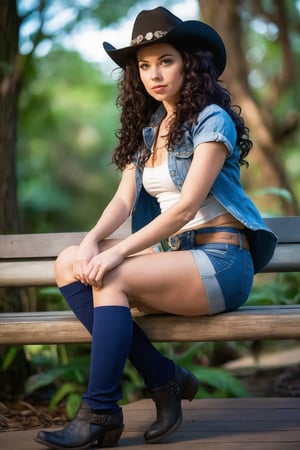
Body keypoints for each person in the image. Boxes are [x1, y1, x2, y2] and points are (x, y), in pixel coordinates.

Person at [36, 6, 277, 449]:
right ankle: (163, 377)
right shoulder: (151, 129)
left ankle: (100, 411)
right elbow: (124, 199)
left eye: (165, 60)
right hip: (177, 259)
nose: (155, 74)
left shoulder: (211, 120)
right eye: (144, 66)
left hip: (223, 261)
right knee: (70, 263)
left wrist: (118, 253)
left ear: (190, 61)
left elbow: (185, 209)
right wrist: (91, 242)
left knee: (111, 274)